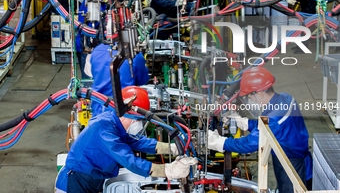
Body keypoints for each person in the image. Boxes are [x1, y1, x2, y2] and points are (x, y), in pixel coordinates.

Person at [55, 86, 198, 193]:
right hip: (74, 183)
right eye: (139, 120)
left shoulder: (114, 123)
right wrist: (168, 170)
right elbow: (128, 160)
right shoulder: (104, 130)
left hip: (91, 180)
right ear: (129, 114)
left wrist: (170, 148)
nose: (139, 125)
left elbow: (136, 141)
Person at [207, 66, 313, 192]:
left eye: (249, 97)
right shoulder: (285, 98)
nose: (250, 101)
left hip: (292, 165)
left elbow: (250, 143)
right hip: (292, 155)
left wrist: (220, 142)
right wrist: (246, 123)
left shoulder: (275, 117)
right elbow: (268, 125)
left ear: (260, 93)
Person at [85, 43, 150, 117]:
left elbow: (95, 75)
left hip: (99, 109)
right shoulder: (134, 53)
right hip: (125, 113)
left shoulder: (96, 51)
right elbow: (143, 79)